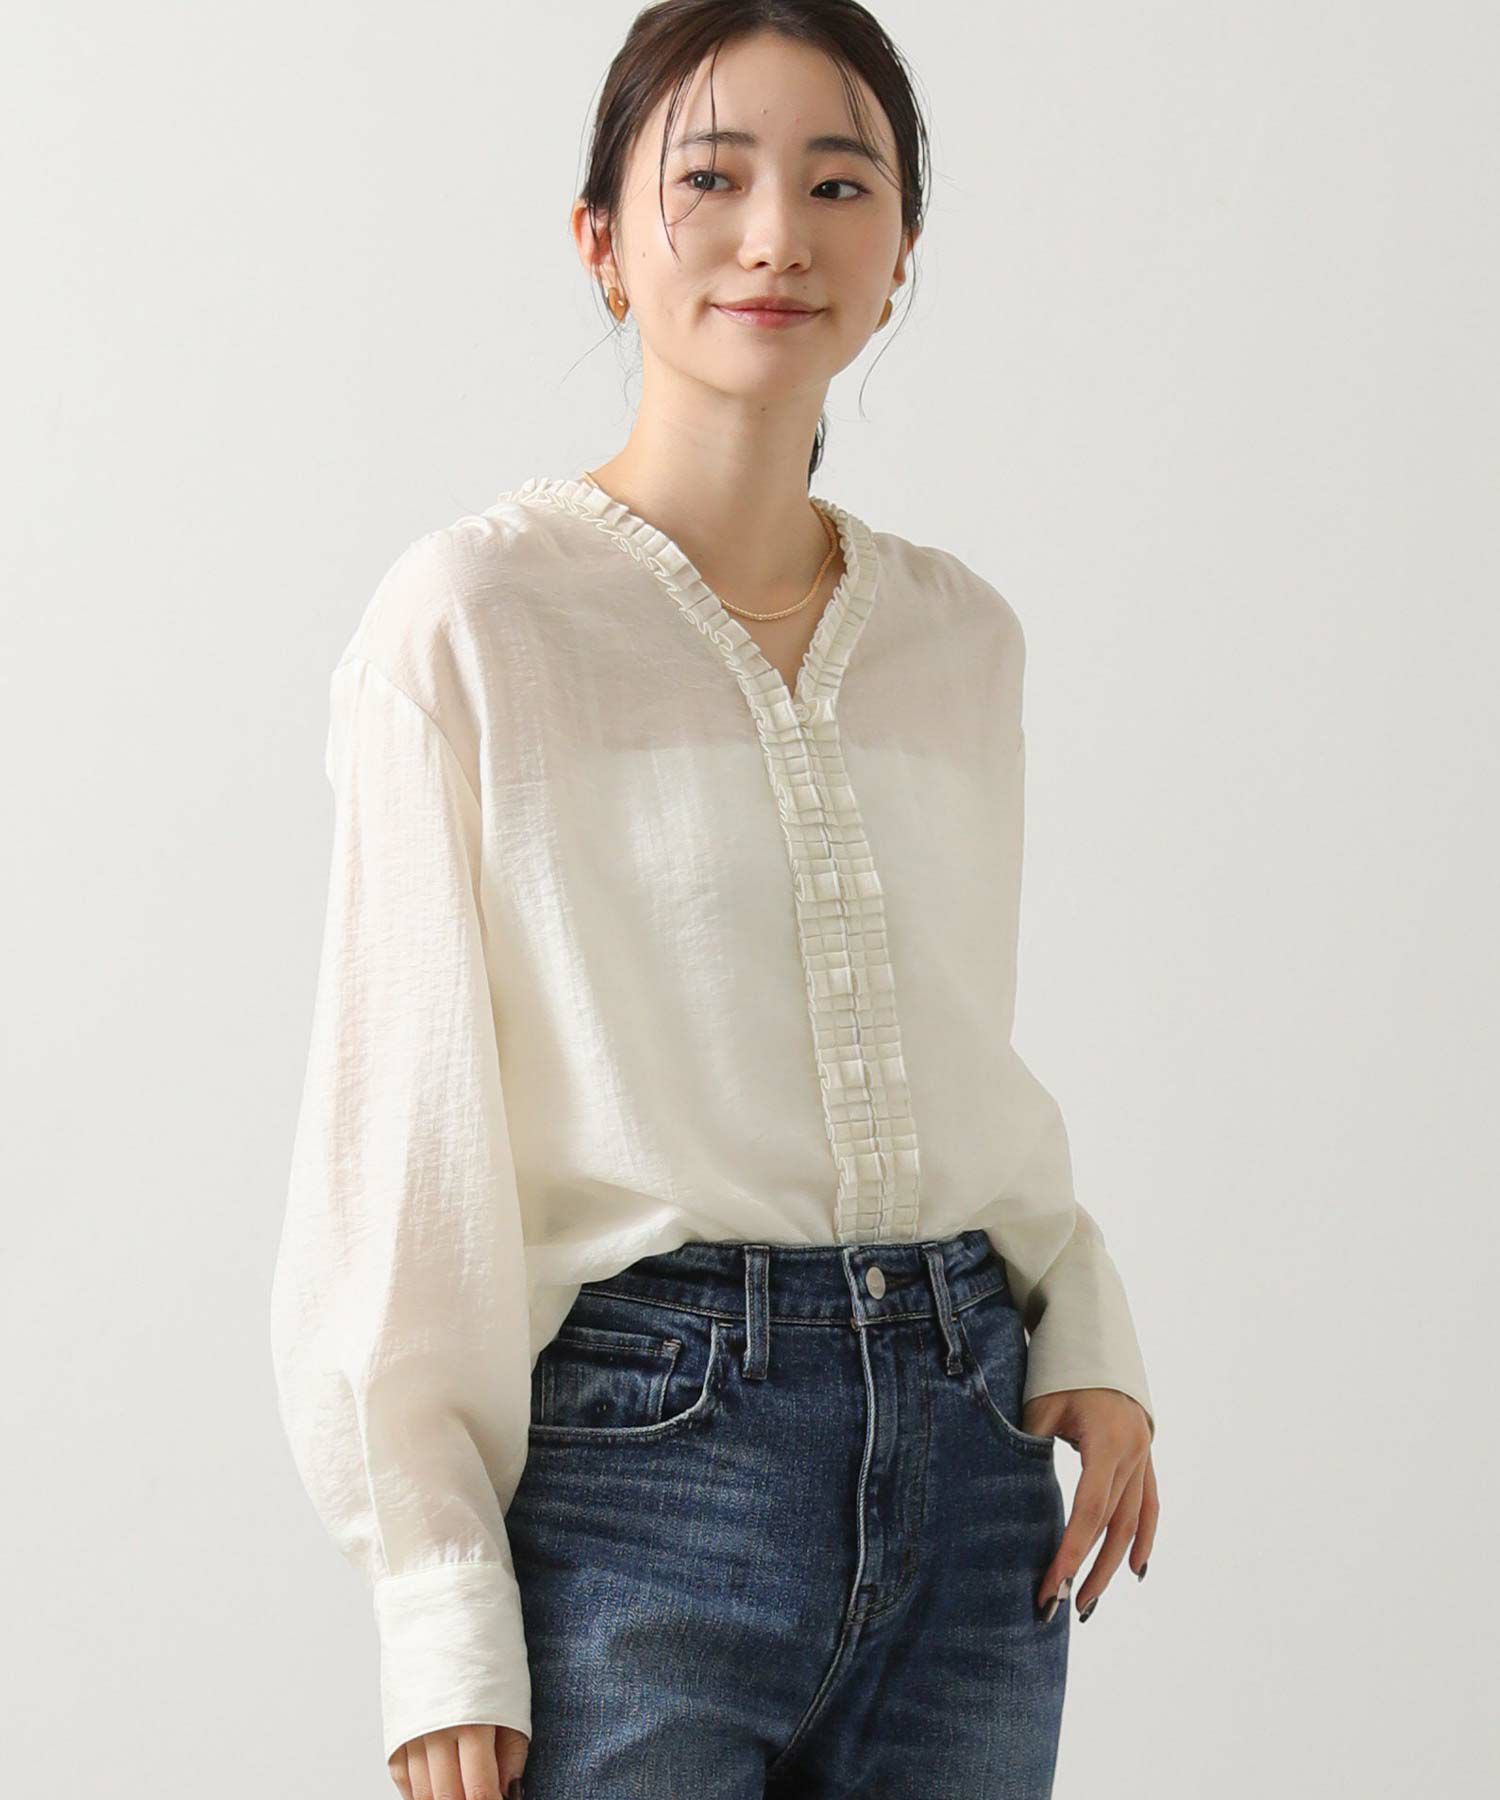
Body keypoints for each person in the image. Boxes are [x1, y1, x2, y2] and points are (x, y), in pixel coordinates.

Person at [269, 6, 1160, 1797]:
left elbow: (955, 1064)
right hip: (642, 1477)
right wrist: (438, 1606)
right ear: (600, 240)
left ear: (902, 256)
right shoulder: (472, 625)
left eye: (839, 184)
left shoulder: (960, 640)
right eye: (713, 179)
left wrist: (1089, 1325)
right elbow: (402, 1143)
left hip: (978, 1468)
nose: (777, 236)